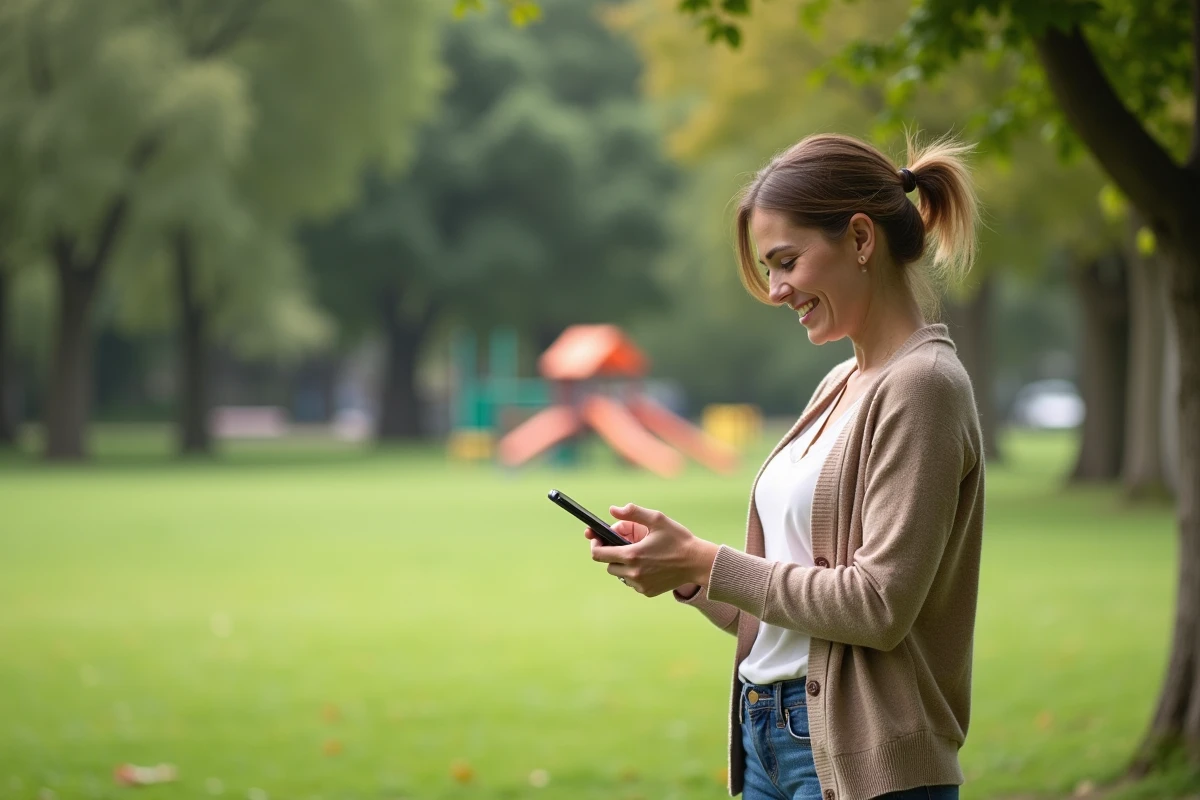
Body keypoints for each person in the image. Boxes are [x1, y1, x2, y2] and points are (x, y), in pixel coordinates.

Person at [586, 133, 985, 800]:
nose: (775, 290)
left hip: (860, 762)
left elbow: (877, 604)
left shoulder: (923, 387)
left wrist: (709, 561)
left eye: (786, 261)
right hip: (766, 736)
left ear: (861, 239)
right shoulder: (838, 383)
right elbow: (783, 611)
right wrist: (684, 572)